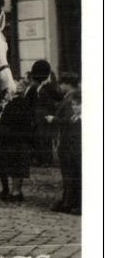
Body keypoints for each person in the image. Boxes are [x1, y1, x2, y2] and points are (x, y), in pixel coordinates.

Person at [0, 79, 35, 202]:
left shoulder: (17, 102)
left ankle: (15, 192)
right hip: (14, 139)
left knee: (16, 166)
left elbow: (10, 120)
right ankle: (14, 191)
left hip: (14, 139)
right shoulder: (15, 102)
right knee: (14, 166)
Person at [48, 73, 81, 215]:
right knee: (69, 173)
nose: (60, 87)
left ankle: (70, 202)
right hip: (67, 142)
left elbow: (69, 120)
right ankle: (67, 201)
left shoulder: (71, 99)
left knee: (70, 173)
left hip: (69, 143)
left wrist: (53, 119)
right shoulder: (69, 98)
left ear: (67, 84)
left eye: (61, 84)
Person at [29, 59, 61, 166]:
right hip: (37, 115)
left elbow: (56, 99)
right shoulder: (38, 87)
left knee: (46, 138)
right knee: (38, 137)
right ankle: (40, 159)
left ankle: (46, 160)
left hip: (45, 114)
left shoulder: (49, 86)